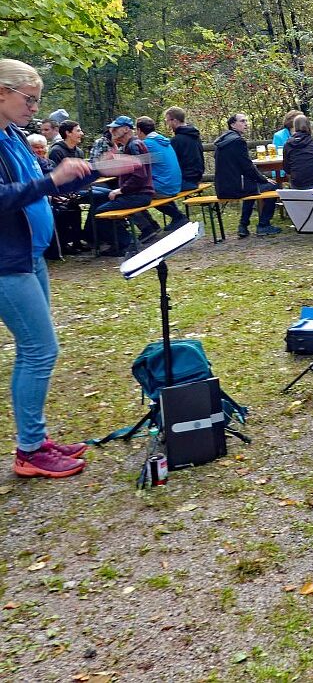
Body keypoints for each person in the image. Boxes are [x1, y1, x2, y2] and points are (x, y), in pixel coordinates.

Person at [0, 60, 135, 477]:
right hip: (7, 263)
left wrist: (94, 171)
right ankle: (29, 452)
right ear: (2, 92)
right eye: (30, 99)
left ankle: (35, 441)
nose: (35, 108)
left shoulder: (14, 135)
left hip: (31, 257)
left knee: (34, 350)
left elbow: (47, 179)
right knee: (41, 350)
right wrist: (52, 179)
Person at [93, 116, 157, 256]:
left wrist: (121, 190)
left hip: (139, 195)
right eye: (111, 129)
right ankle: (123, 242)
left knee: (98, 213)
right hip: (138, 193)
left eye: (116, 128)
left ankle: (126, 244)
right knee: (103, 200)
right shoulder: (130, 145)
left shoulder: (134, 145)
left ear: (127, 129)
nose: (112, 131)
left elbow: (139, 175)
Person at [213, 113, 281, 238]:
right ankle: (263, 225)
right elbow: (247, 167)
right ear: (233, 124)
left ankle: (243, 225)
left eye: (246, 121)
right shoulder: (238, 141)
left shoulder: (223, 140)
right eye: (242, 121)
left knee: (253, 187)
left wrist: (259, 179)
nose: (246, 124)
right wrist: (264, 179)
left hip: (222, 187)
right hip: (234, 188)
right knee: (273, 186)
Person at [135, 116, 187, 230]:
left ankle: (149, 228)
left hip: (164, 186)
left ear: (139, 130)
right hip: (175, 183)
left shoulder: (147, 144)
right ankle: (177, 217)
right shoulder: (162, 140)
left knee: (135, 194)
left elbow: (132, 164)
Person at [164, 106, 205, 190]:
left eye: (167, 120)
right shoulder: (194, 135)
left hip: (184, 180)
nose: (167, 124)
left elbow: (169, 162)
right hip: (197, 178)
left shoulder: (177, 140)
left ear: (174, 121)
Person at [282, 114, 313, 189]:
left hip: (297, 185)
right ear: (309, 126)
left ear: (295, 127)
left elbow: (286, 168)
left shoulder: (288, 145)